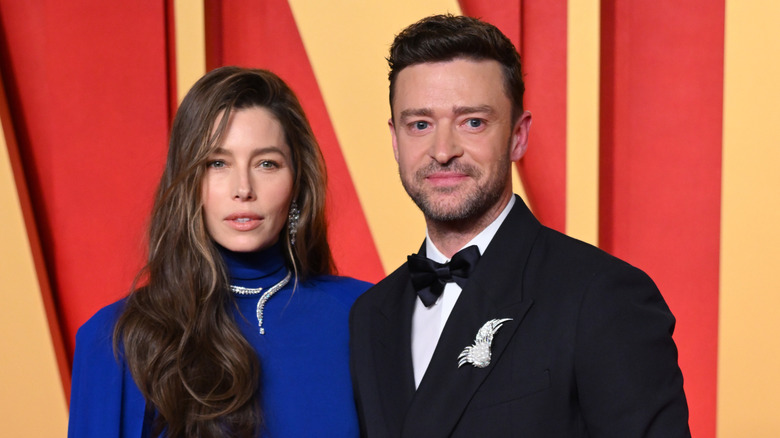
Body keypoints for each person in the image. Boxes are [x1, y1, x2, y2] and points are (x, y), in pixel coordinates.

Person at [349, 14, 690, 437]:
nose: (442, 151)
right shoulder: (370, 315)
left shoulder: (602, 296)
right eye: (420, 124)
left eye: (472, 122)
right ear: (396, 141)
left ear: (518, 135)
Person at [68, 67, 371, 437]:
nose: (243, 188)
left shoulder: (366, 314)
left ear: (298, 182)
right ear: (188, 181)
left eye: (266, 164)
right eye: (217, 163)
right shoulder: (117, 338)